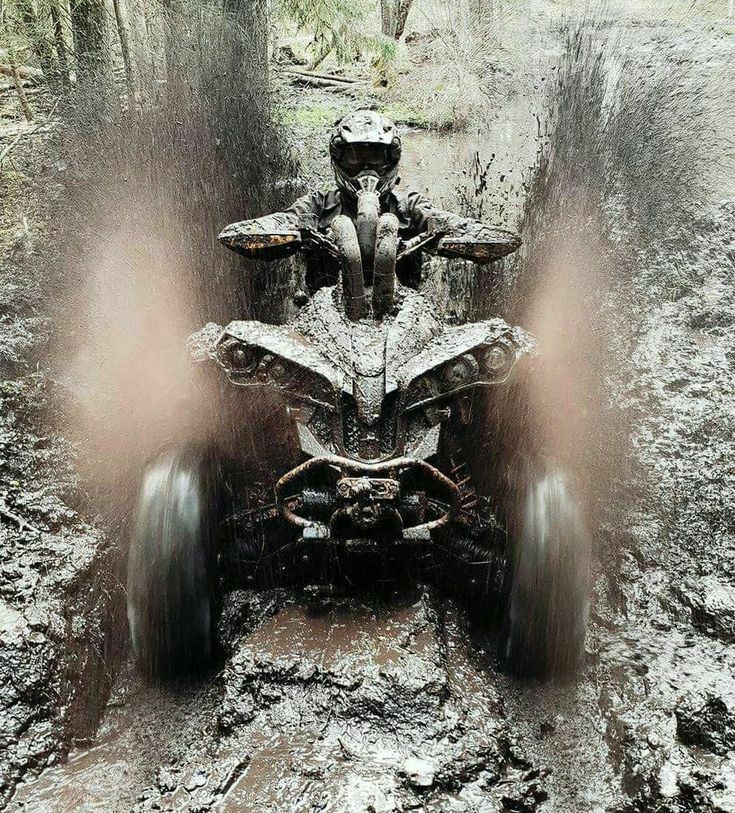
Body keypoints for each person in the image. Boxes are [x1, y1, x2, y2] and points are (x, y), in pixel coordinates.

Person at [219, 109, 520, 293]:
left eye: (376, 159)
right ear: (338, 159)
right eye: (355, 159)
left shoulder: (409, 205)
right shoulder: (319, 204)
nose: (367, 171)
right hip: (325, 317)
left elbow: (450, 223)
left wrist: (460, 238)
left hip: (404, 316)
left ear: (392, 161)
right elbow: (282, 220)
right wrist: (274, 234)